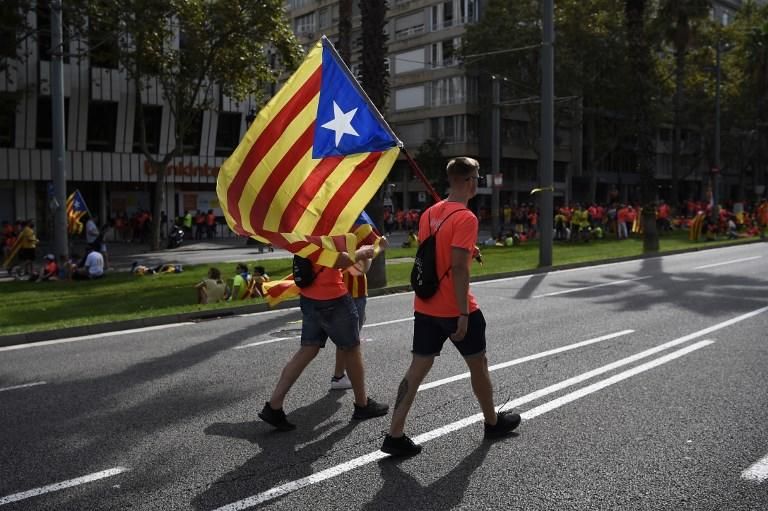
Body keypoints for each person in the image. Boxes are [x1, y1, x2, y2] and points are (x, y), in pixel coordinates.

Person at [381, 157, 520, 457]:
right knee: (478, 365)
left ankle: (394, 434)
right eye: (477, 178)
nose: (477, 183)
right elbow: (458, 268)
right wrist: (462, 312)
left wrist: (469, 248)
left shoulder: (429, 213)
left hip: (425, 303)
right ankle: (492, 422)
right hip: (454, 307)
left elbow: (434, 252)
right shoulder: (466, 218)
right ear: (470, 181)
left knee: (417, 368)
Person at [258, 245, 389, 431]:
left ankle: (274, 405)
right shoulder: (327, 227)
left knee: (307, 349)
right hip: (333, 298)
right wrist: (364, 252)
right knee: (352, 348)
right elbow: (341, 261)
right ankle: (362, 404)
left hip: (309, 296)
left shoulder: (304, 229)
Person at [331, 250, 374, 391]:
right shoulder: (357, 236)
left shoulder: (338, 236)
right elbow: (360, 270)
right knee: (350, 340)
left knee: (346, 338)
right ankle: (341, 378)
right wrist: (371, 254)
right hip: (354, 292)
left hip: (341, 291)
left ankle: (340, 376)